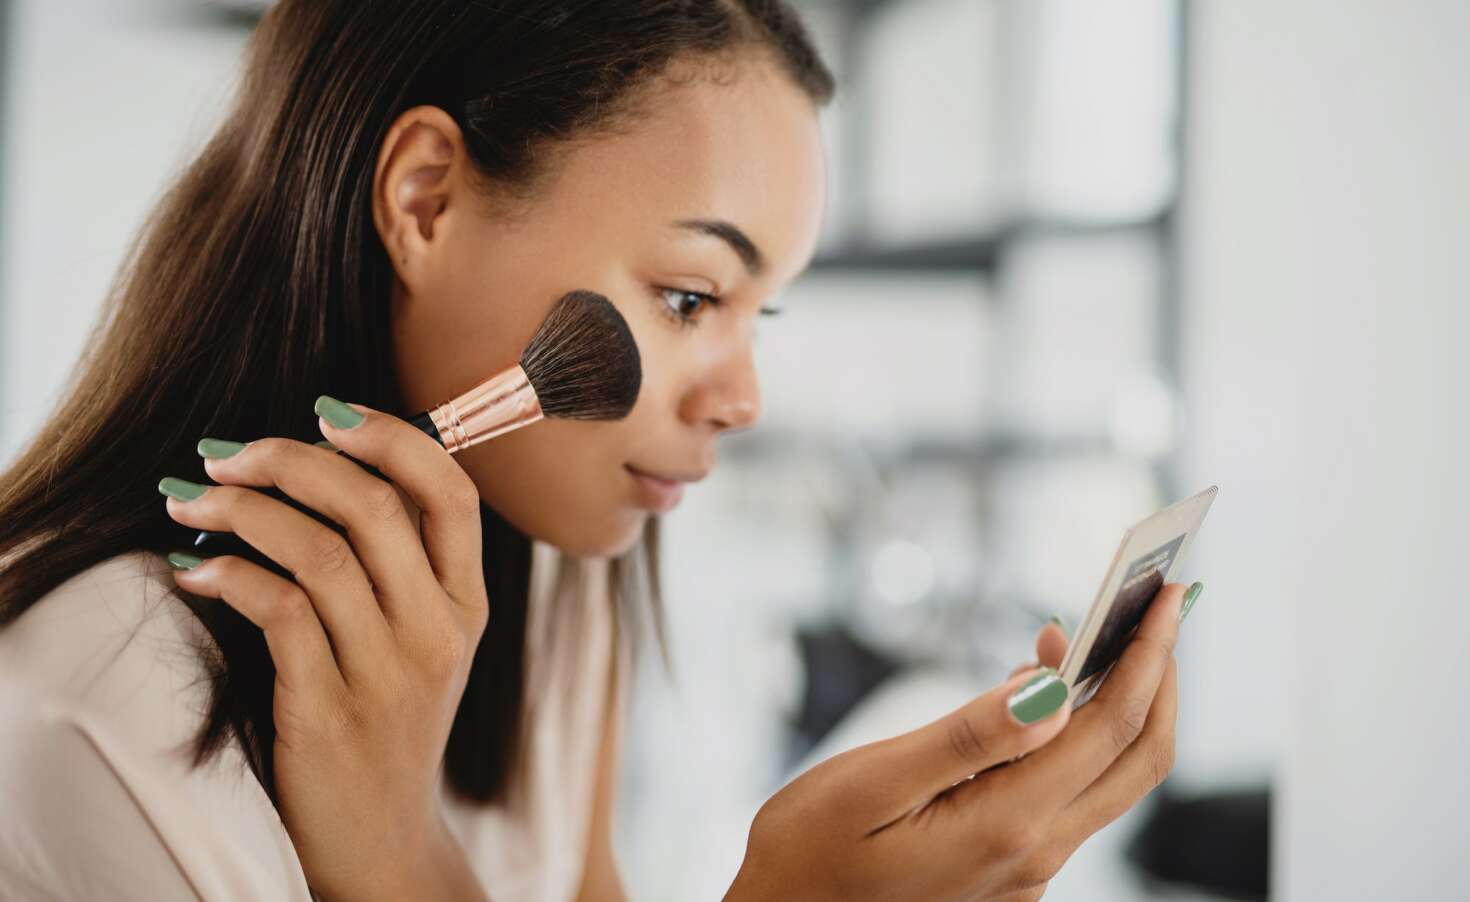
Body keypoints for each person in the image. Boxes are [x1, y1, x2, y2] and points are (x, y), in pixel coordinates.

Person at [0, 2, 1189, 899]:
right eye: (688, 296)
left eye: (755, 313)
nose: (743, 397)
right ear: (425, 201)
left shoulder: (557, 568)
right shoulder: (104, 700)